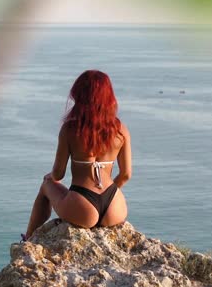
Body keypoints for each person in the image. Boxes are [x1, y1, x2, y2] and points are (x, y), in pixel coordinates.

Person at [23, 69, 132, 240]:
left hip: (83, 205)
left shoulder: (70, 130)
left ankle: (28, 238)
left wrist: (51, 177)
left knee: (46, 183)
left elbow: (58, 174)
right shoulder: (121, 130)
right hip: (114, 205)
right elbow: (126, 175)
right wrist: (108, 191)